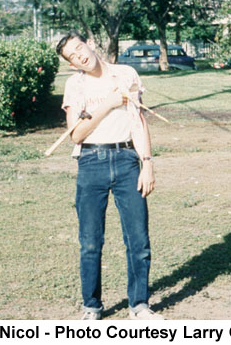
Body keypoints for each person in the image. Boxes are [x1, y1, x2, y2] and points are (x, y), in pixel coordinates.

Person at [57, 31, 163, 321]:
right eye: (72, 56)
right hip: (91, 162)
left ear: (90, 44)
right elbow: (76, 134)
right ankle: (92, 307)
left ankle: (139, 306)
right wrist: (108, 103)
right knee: (91, 242)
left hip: (127, 159)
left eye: (80, 48)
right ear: (71, 64)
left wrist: (147, 163)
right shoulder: (75, 85)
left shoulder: (125, 74)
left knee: (138, 240)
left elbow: (138, 121)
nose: (80, 56)